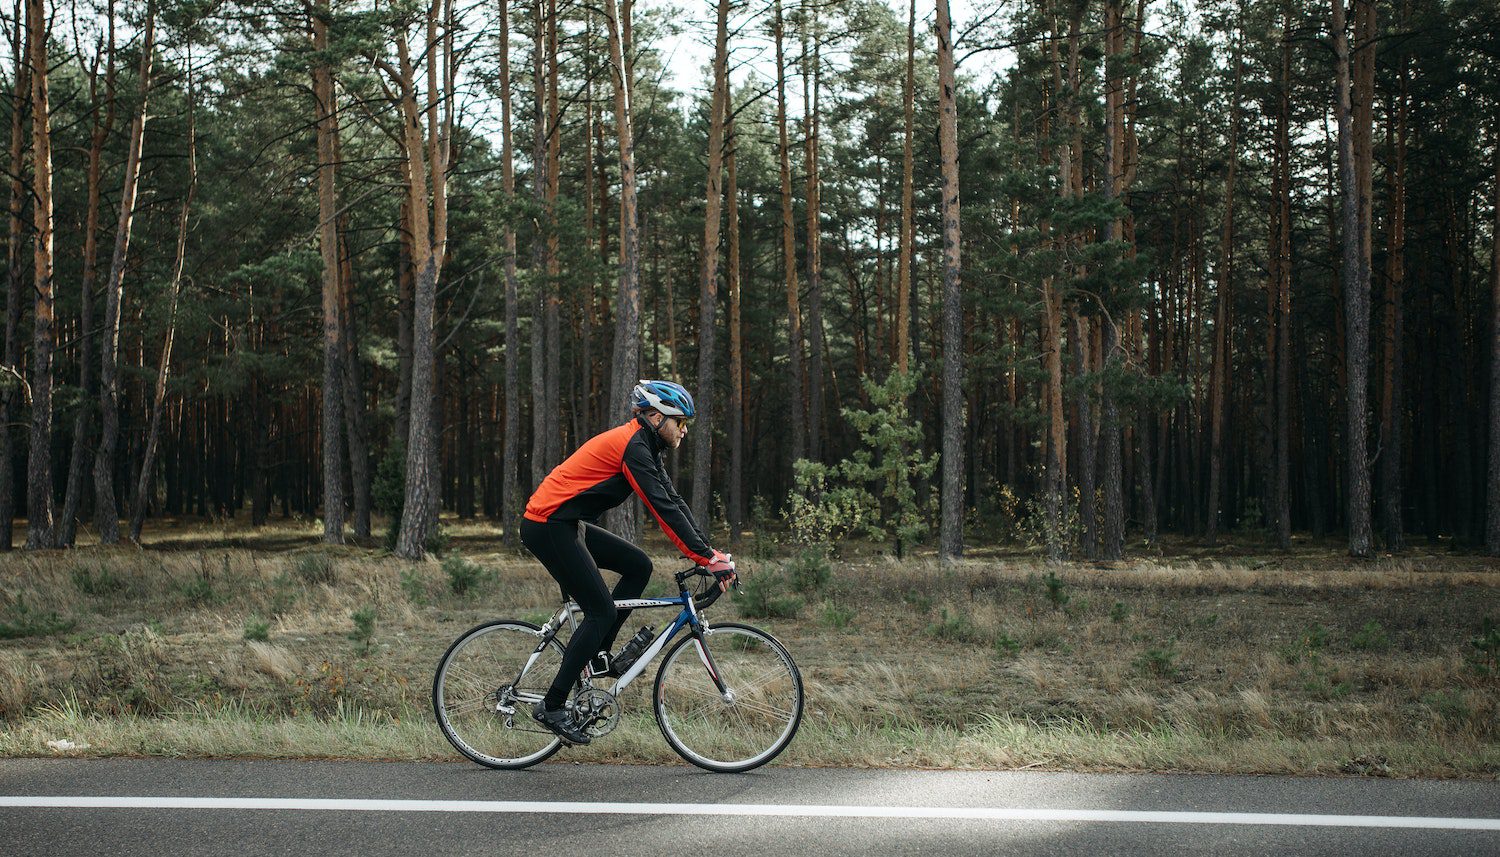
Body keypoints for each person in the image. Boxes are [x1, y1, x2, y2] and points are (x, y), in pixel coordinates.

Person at [520, 380, 736, 744]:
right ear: (655, 417)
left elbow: (674, 499)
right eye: (679, 421)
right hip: (547, 524)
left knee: (639, 566)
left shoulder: (644, 446)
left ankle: (599, 653)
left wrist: (709, 553)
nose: (684, 430)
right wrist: (704, 557)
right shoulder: (633, 447)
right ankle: (552, 705)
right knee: (600, 610)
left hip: (566, 522)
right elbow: (660, 508)